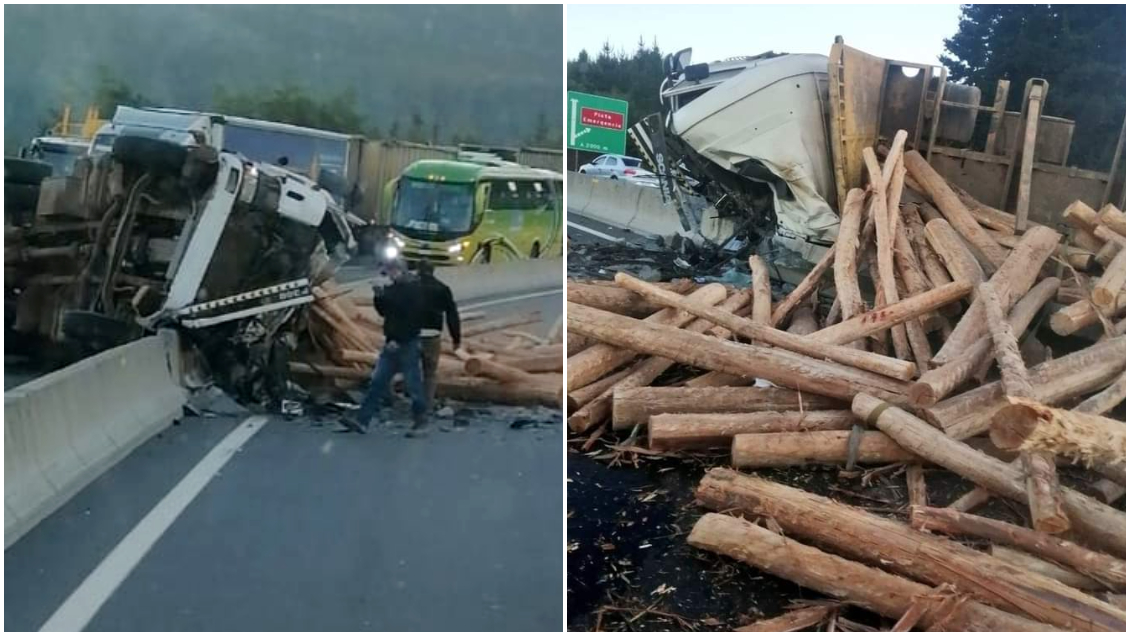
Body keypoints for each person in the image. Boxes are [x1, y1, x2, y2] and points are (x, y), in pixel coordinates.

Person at [342, 257, 429, 436]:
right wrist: (379, 295)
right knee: (377, 382)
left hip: (407, 344)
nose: (389, 274)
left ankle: (421, 422)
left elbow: (411, 318)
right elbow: (385, 311)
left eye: (391, 271)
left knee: (413, 385)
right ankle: (362, 421)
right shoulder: (393, 288)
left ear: (400, 270)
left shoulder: (413, 290)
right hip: (391, 343)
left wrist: (398, 339)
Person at [416, 260, 462, 412]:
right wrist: (456, 338)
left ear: (418, 270)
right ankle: (426, 406)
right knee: (429, 374)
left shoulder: (410, 287)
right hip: (432, 336)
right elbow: (452, 315)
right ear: (433, 270)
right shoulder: (442, 288)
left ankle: (411, 401)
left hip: (412, 334)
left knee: (407, 368)